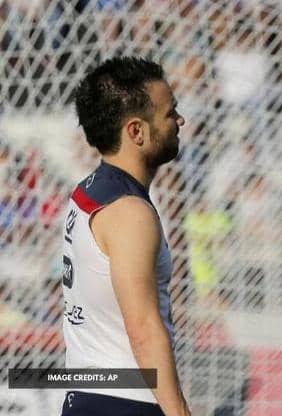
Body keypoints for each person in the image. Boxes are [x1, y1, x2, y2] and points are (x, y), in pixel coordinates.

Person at [61, 57, 190, 415]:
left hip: (86, 397)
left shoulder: (87, 191)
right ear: (136, 131)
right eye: (170, 113)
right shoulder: (130, 213)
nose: (180, 121)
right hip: (127, 402)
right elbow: (143, 330)